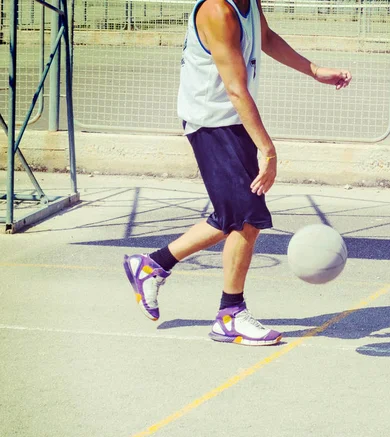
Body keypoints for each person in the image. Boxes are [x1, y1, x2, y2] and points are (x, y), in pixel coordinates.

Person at [123, 0, 352, 346]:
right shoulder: (218, 11)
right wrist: (268, 150)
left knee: (234, 214)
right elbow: (235, 88)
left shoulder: (248, 2)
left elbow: (267, 37)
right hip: (211, 122)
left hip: (230, 120)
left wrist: (316, 70)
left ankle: (152, 265)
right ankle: (229, 315)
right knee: (246, 215)